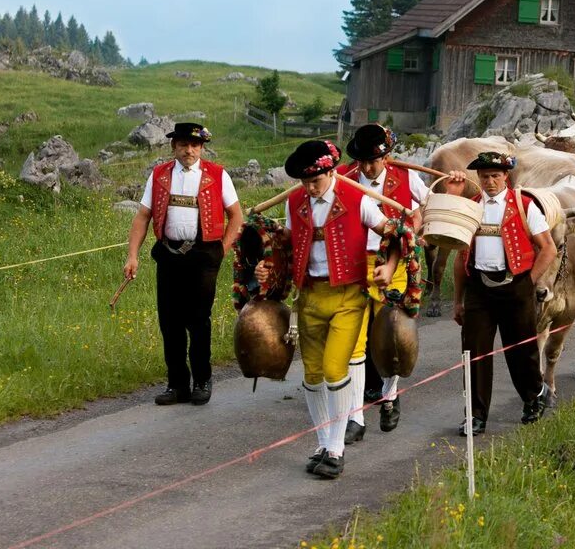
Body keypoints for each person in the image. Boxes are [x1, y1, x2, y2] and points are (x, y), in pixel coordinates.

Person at [257, 140, 400, 480]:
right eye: (305, 182)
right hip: (309, 297)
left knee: (336, 369)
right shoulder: (296, 202)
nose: (309, 188)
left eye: (316, 180)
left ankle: (336, 449)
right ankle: (323, 444)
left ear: (331, 171)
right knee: (312, 375)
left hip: (349, 297)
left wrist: (389, 267)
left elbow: (396, 235)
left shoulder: (359, 201)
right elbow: (288, 246)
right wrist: (267, 266)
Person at [124, 123, 244, 406]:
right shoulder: (159, 175)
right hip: (168, 255)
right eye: (182, 144)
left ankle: (202, 380)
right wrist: (132, 255)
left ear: (201, 147)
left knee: (198, 321)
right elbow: (142, 217)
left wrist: (221, 250)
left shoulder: (217, 175)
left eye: (194, 145)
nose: (188, 150)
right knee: (170, 322)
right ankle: (177, 385)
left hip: (204, 257)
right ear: (173, 147)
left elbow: (236, 216)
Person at [442, 152, 556, 436]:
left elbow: (548, 248)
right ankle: (476, 416)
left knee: (521, 350)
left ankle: (533, 397)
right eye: (484, 176)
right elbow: (459, 258)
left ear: (506, 176)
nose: (490, 182)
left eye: (495, 176)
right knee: (475, 352)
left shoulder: (524, 205)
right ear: (478, 179)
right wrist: (458, 300)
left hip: (516, 285)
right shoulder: (471, 207)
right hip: (479, 288)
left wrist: (527, 282)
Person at [338, 124, 430, 442]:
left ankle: (390, 397)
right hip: (354, 266)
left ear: (386, 156)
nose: (366, 167)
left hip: (396, 264)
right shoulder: (346, 179)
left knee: (391, 336)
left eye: (372, 161)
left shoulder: (407, 179)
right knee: (354, 341)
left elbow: (427, 208)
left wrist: (417, 223)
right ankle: (355, 417)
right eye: (361, 160)